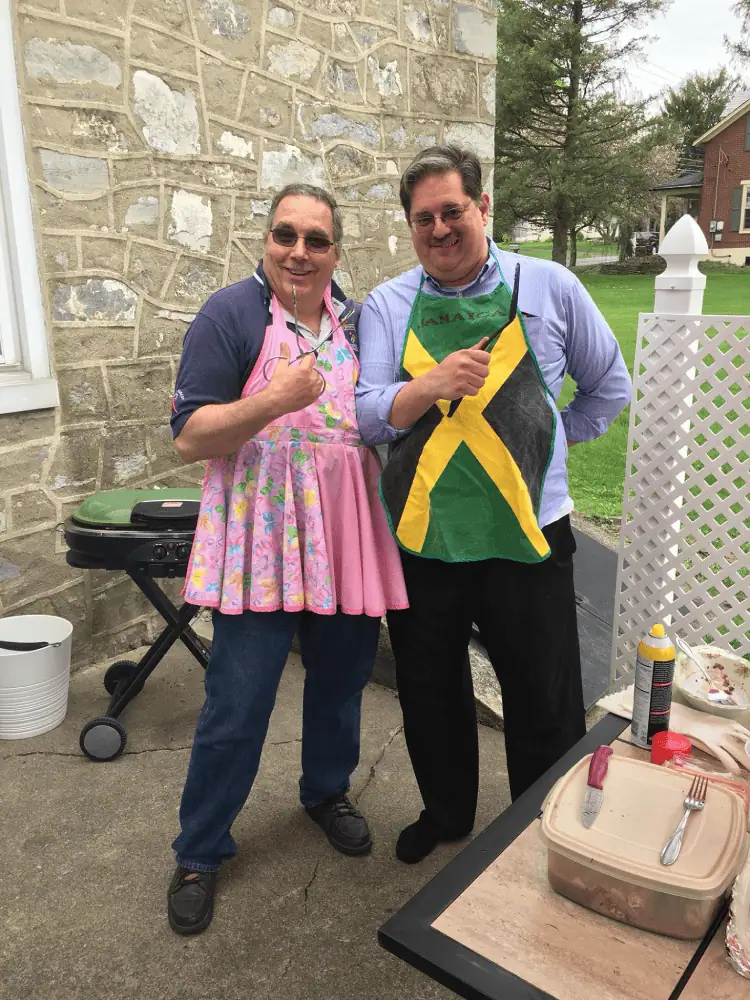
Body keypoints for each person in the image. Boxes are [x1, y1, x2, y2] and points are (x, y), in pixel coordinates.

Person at [355, 145, 631, 865]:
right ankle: (445, 815)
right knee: (429, 689)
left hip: (528, 531)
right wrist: (431, 385)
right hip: (425, 534)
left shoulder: (551, 285)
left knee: (543, 698)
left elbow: (609, 386)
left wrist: (547, 449)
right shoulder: (387, 304)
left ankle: (543, 832)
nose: (440, 229)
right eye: (424, 219)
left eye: (453, 212)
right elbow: (367, 415)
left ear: (484, 208)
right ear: (409, 227)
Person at [167, 183, 407, 934]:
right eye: (285, 236)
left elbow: (384, 412)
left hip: (344, 537)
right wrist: (272, 400)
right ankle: (200, 849)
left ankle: (325, 790)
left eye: (316, 240)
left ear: (336, 253)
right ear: (266, 242)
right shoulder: (230, 315)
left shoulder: (363, 322)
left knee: (340, 687)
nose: (299, 252)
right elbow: (190, 436)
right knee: (236, 705)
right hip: (261, 546)